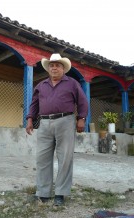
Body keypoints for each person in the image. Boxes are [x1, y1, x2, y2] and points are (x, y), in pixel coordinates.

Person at [26, 53, 88, 206]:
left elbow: (82, 101)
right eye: (52, 65)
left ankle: (60, 193)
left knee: (65, 158)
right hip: (44, 123)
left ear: (63, 68)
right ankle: (43, 193)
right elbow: (34, 104)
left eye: (57, 65)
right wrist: (29, 120)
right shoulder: (41, 85)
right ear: (48, 68)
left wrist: (81, 118)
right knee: (42, 159)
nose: (54, 68)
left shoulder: (72, 83)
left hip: (65, 121)